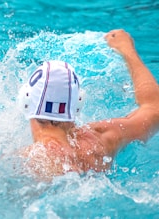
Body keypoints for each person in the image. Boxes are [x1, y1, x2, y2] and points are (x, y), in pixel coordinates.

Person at [18, 29, 159, 181]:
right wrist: (126, 49)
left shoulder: (26, 160)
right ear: (77, 104)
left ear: (25, 100)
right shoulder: (102, 140)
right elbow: (154, 107)